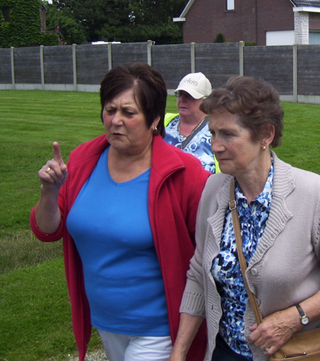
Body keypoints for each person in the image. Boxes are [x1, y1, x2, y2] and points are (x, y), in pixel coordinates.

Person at [170, 76, 320, 361]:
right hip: (225, 353)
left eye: (228, 134)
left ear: (265, 135)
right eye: (213, 133)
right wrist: (179, 352)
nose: (215, 146)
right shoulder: (213, 191)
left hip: (293, 354)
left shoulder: (313, 195)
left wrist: (295, 317)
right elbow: (198, 274)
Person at [30, 63, 210, 361]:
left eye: (129, 113)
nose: (116, 120)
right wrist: (49, 192)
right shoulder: (83, 160)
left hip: (160, 328)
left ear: (154, 119)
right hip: (106, 322)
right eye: (110, 109)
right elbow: (47, 231)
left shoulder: (185, 173)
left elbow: (207, 253)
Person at [164, 72, 217, 173]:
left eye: (189, 96)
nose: (182, 100)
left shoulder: (215, 131)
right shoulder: (164, 122)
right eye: (180, 94)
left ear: (206, 101)